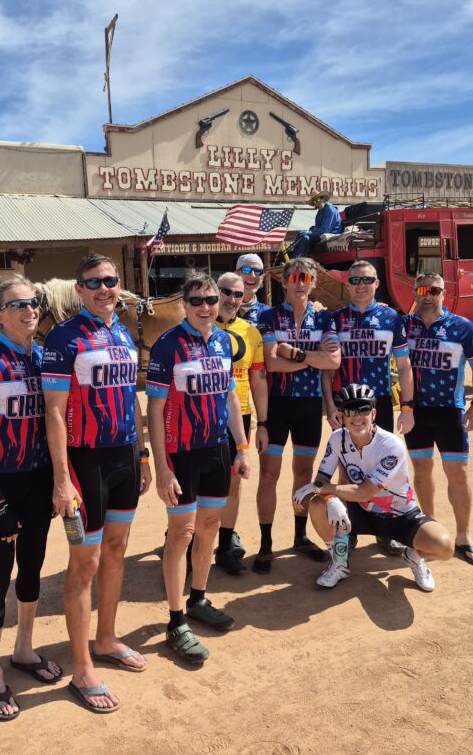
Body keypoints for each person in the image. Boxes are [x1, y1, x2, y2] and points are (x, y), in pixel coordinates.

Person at [41, 254, 152, 714]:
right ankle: (82, 667)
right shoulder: (65, 338)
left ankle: (106, 639)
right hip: (85, 464)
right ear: (80, 290)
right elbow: (53, 411)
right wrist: (62, 479)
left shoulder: (122, 331)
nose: (104, 289)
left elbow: (133, 397)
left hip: (125, 456)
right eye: (94, 283)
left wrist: (143, 453)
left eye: (110, 281)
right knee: (83, 564)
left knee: (117, 550)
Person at [0, 275, 62, 722]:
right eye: (18, 305)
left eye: (34, 303)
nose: (29, 311)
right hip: (1, 487)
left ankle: (24, 650)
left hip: (39, 482)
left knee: (33, 569)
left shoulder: (44, 357)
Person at [147, 274, 252, 663]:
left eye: (211, 300)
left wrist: (241, 448)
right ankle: (176, 621)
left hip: (216, 450)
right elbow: (154, 409)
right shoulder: (168, 345)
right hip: (181, 454)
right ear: (184, 304)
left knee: (209, 527)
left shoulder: (224, 341)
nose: (206, 307)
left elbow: (228, 398)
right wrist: (162, 467)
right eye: (197, 301)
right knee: (181, 533)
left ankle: (199, 599)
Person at [294, 384, 453, 590]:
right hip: (361, 512)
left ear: (374, 413)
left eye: (364, 410)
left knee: (445, 547)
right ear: (342, 415)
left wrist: (323, 490)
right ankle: (340, 564)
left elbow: (364, 492)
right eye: (350, 411)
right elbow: (321, 479)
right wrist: (331, 500)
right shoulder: (337, 439)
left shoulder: (391, 445)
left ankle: (413, 556)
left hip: (400, 515)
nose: (357, 416)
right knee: (318, 506)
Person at [254, 257, 341, 574]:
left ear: (314, 283)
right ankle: (265, 544)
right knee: (268, 476)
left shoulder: (324, 317)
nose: (301, 282)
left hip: (308, 405)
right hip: (277, 404)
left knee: (303, 475)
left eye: (307, 277)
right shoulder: (269, 316)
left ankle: (300, 537)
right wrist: (313, 359)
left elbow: (333, 362)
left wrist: (296, 353)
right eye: (295, 277)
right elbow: (272, 363)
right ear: (285, 281)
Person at [322, 259, 415, 554]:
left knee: (381, 470)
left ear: (377, 283)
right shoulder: (334, 319)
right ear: (347, 284)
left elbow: (403, 364)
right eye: (355, 280)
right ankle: (347, 531)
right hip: (344, 404)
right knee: (347, 467)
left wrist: (408, 406)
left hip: (380, 404)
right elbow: (327, 369)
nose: (361, 286)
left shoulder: (392, 319)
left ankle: (385, 531)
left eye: (367, 280)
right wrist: (329, 405)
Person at [404, 272, 473, 566]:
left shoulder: (461, 327)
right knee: (422, 468)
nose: (427, 296)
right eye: (422, 290)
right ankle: (431, 529)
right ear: (415, 292)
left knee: (458, 473)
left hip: (450, 410)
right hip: (415, 411)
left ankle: (464, 537)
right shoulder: (405, 325)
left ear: (444, 292)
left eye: (434, 290)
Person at [213, 271, 270, 575]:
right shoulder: (198, 328)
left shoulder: (251, 332)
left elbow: (258, 380)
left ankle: (224, 548)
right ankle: (188, 541)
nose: (233, 300)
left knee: (233, 485)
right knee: (199, 485)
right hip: (202, 418)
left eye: (238, 294)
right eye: (226, 292)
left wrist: (263, 423)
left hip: (240, 417)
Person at [289, 189, 342, 260]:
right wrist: (312, 229)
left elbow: (325, 230)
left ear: (323, 198)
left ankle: (297, 261)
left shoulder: (331, 211)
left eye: (318, 199)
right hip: (321, 235)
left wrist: (309, 232)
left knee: (305, 238)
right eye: (314, 201)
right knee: (301, 234)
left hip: (330, 235)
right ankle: (294, 260)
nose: (316, 202)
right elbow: (318, 228)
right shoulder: (319, 213)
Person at [236, 252, 268, 324]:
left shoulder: (267, 313)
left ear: (262, 278)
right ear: (237, 274)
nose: (253, 275)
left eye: (257, 271)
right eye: (246, 270)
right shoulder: (224, 309)